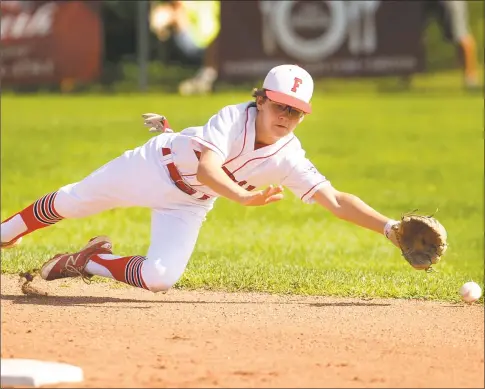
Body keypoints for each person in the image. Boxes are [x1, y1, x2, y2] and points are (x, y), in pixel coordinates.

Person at [1, 64, 410, 294]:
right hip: (152, 167)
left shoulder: (290, 156)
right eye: (280, 106)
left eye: (296, 111)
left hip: (188, 203)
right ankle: (6, 232)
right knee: (70, 202)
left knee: (160, 278)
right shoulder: (234, 118)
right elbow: (207, 169)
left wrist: (390, 229)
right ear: (261, 98)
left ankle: (90, 259)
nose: (287, 117)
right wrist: (242, 198)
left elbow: (335, 200)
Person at [149, 0, 220, 95]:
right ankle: (204, 77)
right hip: (205, 42)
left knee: (170, 13)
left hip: (199, 43)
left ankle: (204, 78)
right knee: (168, 13)